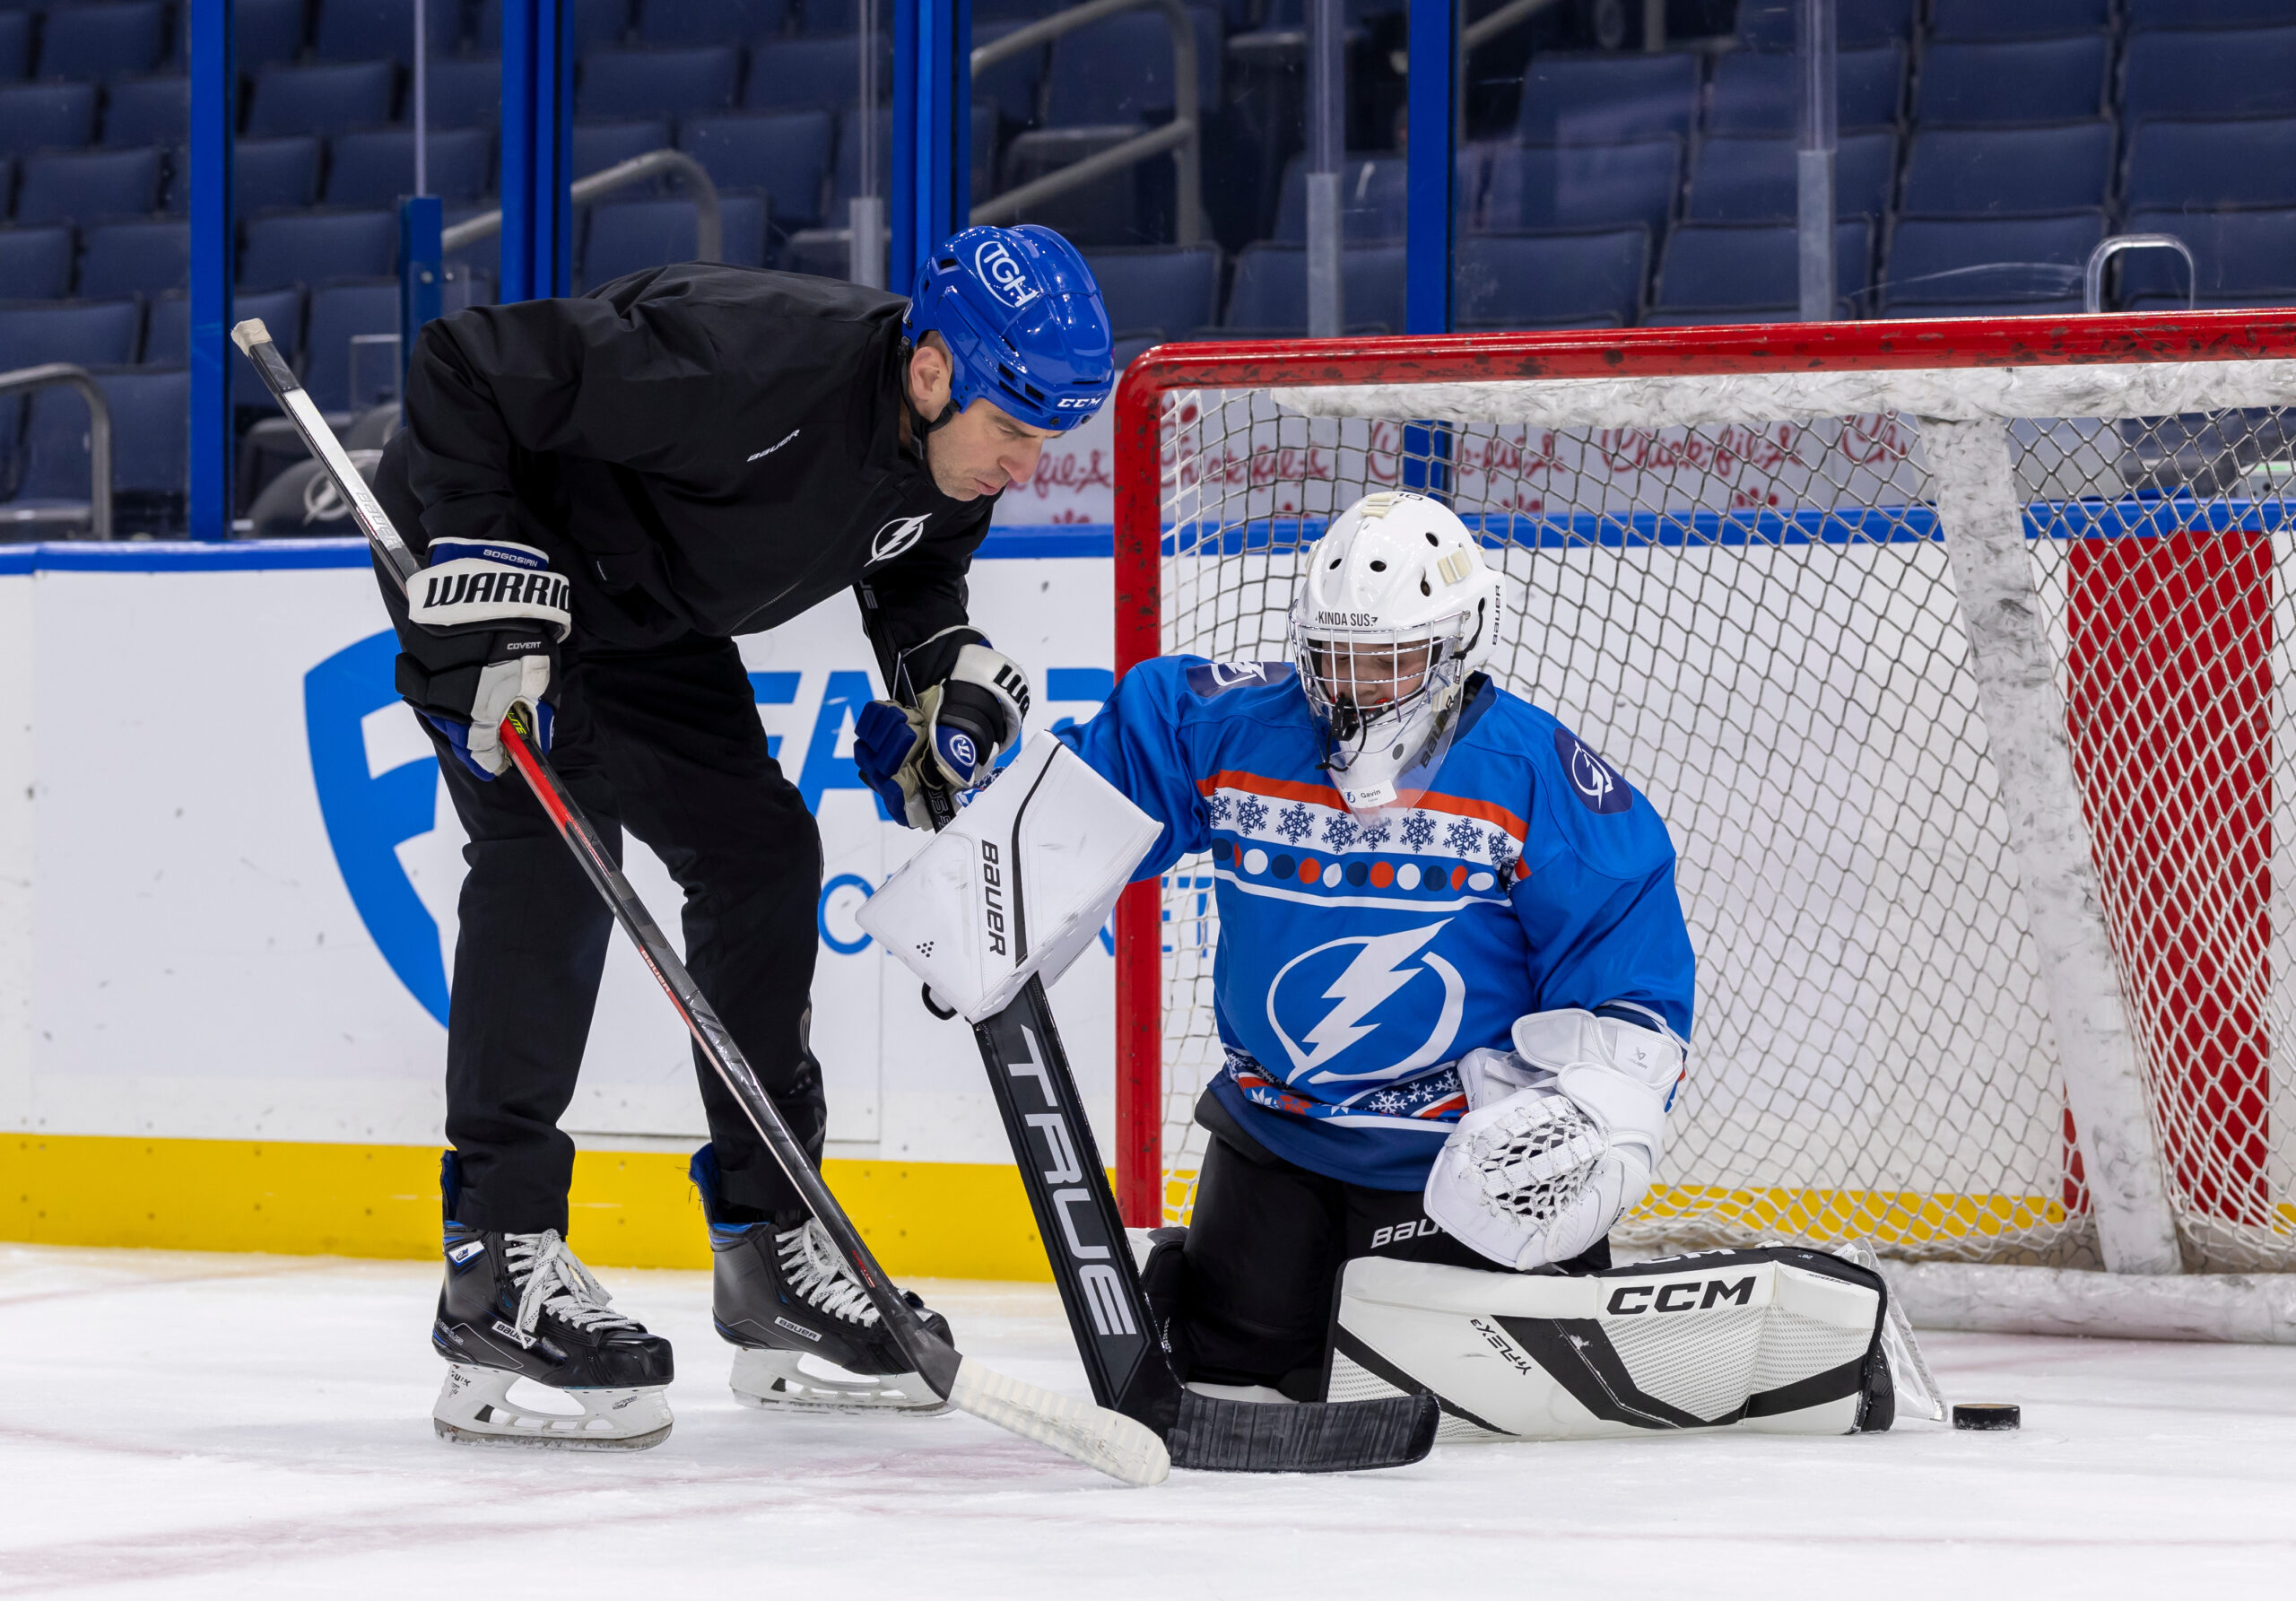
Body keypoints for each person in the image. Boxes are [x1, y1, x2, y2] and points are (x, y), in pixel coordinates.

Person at [376, 225, 1115, 1449]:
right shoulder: (743, 366)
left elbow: (916, 569)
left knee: (766, 860)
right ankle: (493, 1261)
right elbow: (467, 361)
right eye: (1016, 432)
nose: (1027, 467)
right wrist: (476, 545)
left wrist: (938, 673)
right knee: (553, 857)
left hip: (649, 609)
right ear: (931, 371)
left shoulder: (948, 462)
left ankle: (769, 1249)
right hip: (512, 569)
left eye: (1047, 439)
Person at [1050, 490, 1698, 1402]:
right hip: (1278, 1132)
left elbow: (1628, 984)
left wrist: (1594, 1112)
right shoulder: (1237, 727)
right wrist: (974, 788)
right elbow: (1088, 796)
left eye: (1387, 661)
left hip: (1454, 1159)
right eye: (1333, 658)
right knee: (1230, 1365)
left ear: (1459, 641)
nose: (1353, 687)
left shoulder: (1533, 777)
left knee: (1443, 1394)